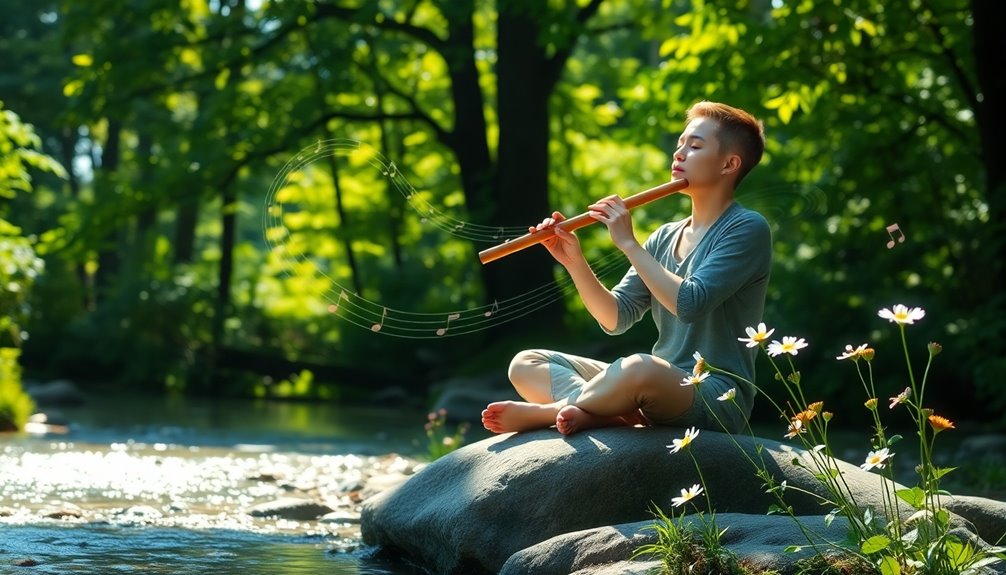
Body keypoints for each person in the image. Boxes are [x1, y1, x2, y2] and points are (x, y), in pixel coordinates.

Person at [481, 101, 772, 436]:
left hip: (713, 394)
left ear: (729, 164)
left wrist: (629, 244)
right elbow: (615, 318)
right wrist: (573, 260)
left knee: (639, 368)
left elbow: (690, 304)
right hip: (655, 386)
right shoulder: (665, 236)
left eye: (694, 146)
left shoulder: (747, 228)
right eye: (679, 145)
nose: (678, 154)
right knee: (526, 363)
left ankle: (553, 412)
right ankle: (609, 411)